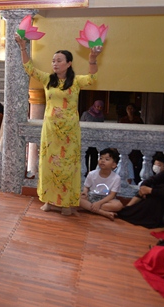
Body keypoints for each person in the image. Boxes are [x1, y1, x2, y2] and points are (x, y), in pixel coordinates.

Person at [15, 33, 101, 216]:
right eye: (53, 60)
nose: (55, 63)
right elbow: (29, 68)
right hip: (51, 131)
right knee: (49, 166)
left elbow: (92, 78)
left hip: (70, 132)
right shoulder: (48, 79)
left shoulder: (75, 82)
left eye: (59, 60)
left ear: (69, 63)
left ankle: (67, 204)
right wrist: (23, 46)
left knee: (68, 167)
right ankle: (48, 201)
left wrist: (92, 59)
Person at [118, 144, 164, 228]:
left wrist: (151, 191)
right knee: (152, 189)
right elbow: (154, 179)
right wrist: (144, 187)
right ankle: (127, 209)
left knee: (155, 196)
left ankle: (128, 213)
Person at [79, 147, 123, 220]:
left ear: (113, 165)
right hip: (92, 196)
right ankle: (103, 213)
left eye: (107, 159)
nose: (102, 161)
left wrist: (99, 203)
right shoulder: (92, 174)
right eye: (101, 158)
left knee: (118, 205)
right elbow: (86, 187)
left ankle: (88, 207)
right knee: (78, 199)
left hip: (106, 199)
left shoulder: (116, 178)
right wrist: (85, 192)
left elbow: (112, 195)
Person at [80, 100, 105, 174]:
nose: (99, 108)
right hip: (86, 138)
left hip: (95, 139)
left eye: (101, 107)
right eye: (97, 106)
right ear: (94, 106)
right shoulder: (86, 114)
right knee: (85, 156)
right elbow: (81, 124)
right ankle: (84, 174)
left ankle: (92, 174)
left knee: (94, 157)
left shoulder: (101, 116)